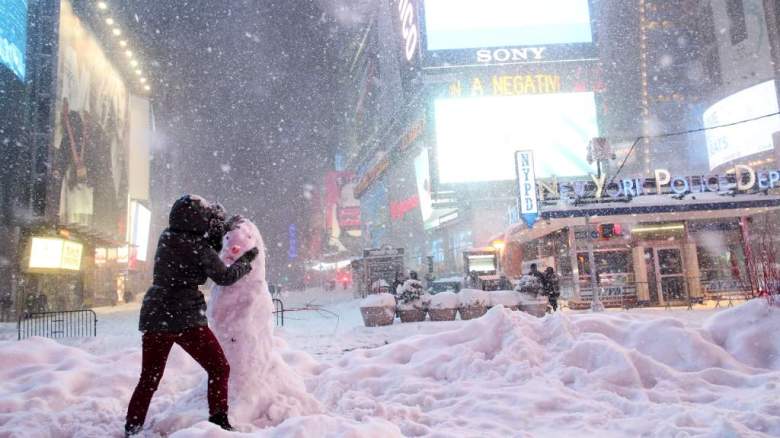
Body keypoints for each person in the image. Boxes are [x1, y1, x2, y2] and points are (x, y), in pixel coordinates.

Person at [124, 195, 259, 437]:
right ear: (198, 221)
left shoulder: (167, 237)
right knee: (218, 368)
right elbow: (224, 277)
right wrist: (246, 262)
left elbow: (193, 253)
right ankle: (219, 422)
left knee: (149, 378)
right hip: (185, 317)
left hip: (156, 314)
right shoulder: (199, 247)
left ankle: (132, 427)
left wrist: (212, 239)